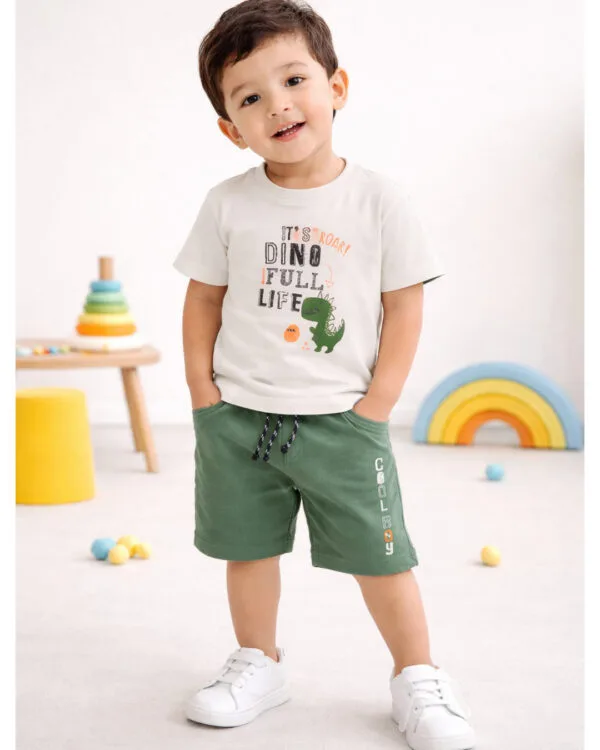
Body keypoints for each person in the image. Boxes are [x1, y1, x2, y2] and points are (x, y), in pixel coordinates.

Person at [173, 1, 476, 748]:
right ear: (230, 128)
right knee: (247, 549)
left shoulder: (380, 200)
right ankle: (259, 661)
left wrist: (378, 404)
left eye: (294, 80)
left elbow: (404, 306)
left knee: (383, 556)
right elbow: (203, 298)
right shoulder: (227, 204)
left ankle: (417, 676)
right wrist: (203, 394)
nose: (277, 105)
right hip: (239, 416)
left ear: (336, 87)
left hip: (344, 418)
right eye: (250, 97)